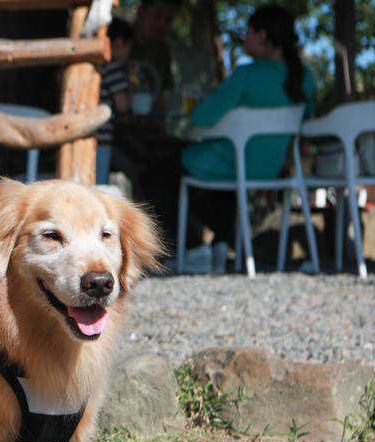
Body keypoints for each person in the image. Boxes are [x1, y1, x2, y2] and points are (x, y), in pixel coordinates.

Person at [140, 4, 315, 263]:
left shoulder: (246, 75)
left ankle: (193, 247)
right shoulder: (305, 78)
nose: (245, 39)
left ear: (262, 35)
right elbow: (307, 120)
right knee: (220, 180)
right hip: (268, 168)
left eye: (249, 32)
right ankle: (222, 243)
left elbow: (202, 118)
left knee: (153, 175)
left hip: (225, 161)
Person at [96, 18, 133, 185]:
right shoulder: (112, 66)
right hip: (101, 142)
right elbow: (123, 105)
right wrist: (132, 79)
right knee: (97, 186)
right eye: (129, 48)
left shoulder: (96, 64)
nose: (128, 54)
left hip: (89, 138)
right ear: (119, 43)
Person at [130, 0, 181, 108]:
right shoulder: (119, 41)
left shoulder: (163, 50)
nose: (162, 24)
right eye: (157, 15)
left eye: (169, 20)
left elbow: (160, 98)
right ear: (140, 12)